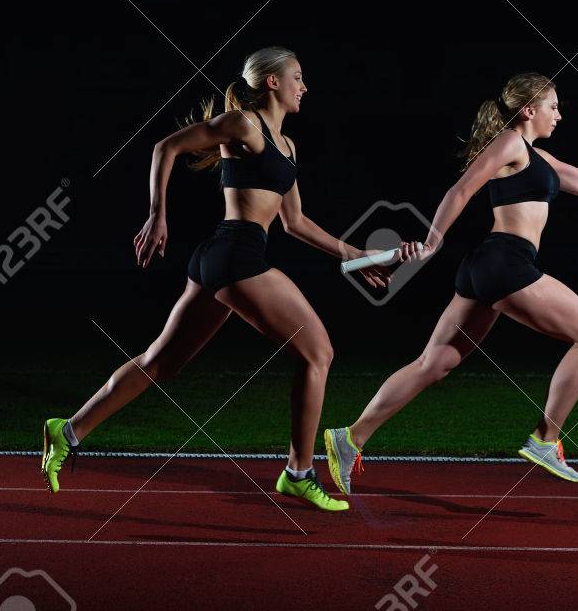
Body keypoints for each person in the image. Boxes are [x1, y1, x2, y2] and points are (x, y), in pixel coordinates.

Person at [42, 46, 413, 511]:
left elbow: (294, 223)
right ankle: (298, 472)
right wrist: (158, 216)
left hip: (224, 258)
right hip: (235, 255)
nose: (305, 86)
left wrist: (355, 254)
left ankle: (69, 428)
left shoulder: (288, 146)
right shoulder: (244, 125)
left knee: (160, 362)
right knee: (318, 351)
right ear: (273, 83)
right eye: (297, 77)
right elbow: (166, 147)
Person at [324, 72, 578, 490]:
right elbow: (460, 191)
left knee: (433, 364)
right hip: (506, 262)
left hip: (488, 268)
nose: (559, 116)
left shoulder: (537, 157)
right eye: (553, 106)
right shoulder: (510, 142)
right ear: (529, 111)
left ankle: (350, 438)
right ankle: (546, 439)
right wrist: (434, 240)